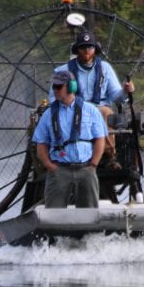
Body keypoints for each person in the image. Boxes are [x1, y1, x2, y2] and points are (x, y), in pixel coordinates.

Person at [50, 31, 134, 169]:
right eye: (83, 47)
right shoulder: (63, 70)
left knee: (106, 111)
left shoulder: (105, 68)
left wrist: (126, 91)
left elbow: (116, 96)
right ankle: (67, 153)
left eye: (90, 47)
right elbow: (54, 96)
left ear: (95, 49)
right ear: (77, 50)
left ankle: (109, 156)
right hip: (73, 107)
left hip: (99, 108)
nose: (87, 51)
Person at [33, 70, 107, 208]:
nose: (55, 90)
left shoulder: (91, 110)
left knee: (89, 214)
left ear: (71, 87)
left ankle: (87, 231)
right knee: (53, 215)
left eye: (59, 86)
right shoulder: (48, 114)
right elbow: (41, 144)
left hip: (86, 169)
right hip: (59, 170)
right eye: (53, 86)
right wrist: (49, 166)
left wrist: (93, 165)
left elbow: (100, 139)